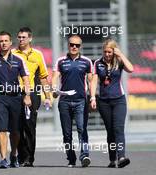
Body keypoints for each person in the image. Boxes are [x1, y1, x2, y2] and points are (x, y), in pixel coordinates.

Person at [0, 31, 31, 169]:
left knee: (15, 130)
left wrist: (27, 96)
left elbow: (26, 80)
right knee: (1, 129)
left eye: (6, 41)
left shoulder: (18, 60)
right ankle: (3, 158)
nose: (3, 43)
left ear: (11, 43)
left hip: (16, 98)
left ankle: (14, 154)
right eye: (1, 41)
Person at [90, 39, 133, 168]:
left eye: (110, 52)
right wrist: (92, 97)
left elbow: (131, 69)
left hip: (119, 100)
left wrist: (121, 55)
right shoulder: (98, 63)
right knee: (110, 131)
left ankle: (122, 157)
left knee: (118, 128)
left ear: (114, 51)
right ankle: (112, 158)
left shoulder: (119, 61)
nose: (107, 54)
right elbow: (93, 81)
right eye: (105, 52)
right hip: (104, 101)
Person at [12, 27, 51, 167]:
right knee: (17, 127)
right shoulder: (12, 54)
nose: (21, 40)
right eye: (19, 37)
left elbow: (44, 78)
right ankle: (20, 156)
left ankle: (29, 157)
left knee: (29, 126)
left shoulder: (38, 54)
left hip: (33, 93)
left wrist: (48, 96)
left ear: (30, 38)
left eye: (23, 37)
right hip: (16, 93)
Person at [52, 35, 93, 167]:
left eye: (77, 45)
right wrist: (53, 89)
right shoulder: (60, 61)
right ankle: (71, 158)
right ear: (68, 45)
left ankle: (85, 155)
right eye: (71, 44)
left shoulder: (87, 62)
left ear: (81, 47)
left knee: (82, 128)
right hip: (64, 102)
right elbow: (55, 77)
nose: (74, 47)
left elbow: (91, 80)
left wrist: (92, 97)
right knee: (67, 133)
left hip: (81, 101)